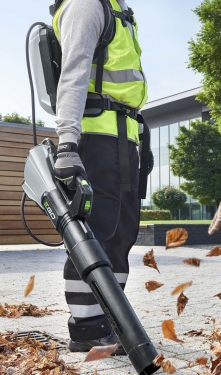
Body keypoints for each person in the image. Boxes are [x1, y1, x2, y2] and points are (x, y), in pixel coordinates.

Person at [51, 0, 151, 354]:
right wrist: (67, 144)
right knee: (95, 234)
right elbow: (74, 73)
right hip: (95, 138)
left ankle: (112, 320)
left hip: (125, 139)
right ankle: (86, 329)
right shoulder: (87, 5)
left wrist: (142, 142)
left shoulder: (119, 9)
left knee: (122, 234)